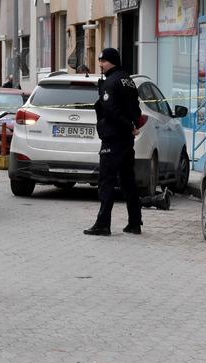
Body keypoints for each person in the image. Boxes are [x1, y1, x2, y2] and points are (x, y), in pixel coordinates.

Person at [83, 48, 142, 236]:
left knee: (106, 181)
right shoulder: (129, 81)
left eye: (103, 61)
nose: (100, 64)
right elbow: (136, 110)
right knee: (128, 181)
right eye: (100, 61)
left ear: (112, 61)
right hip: (126, 139)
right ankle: (134, 223)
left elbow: (111, 110)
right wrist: (132, 125)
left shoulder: (111, 81)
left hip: (114, 137)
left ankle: (103, 224)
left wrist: (127, 126)